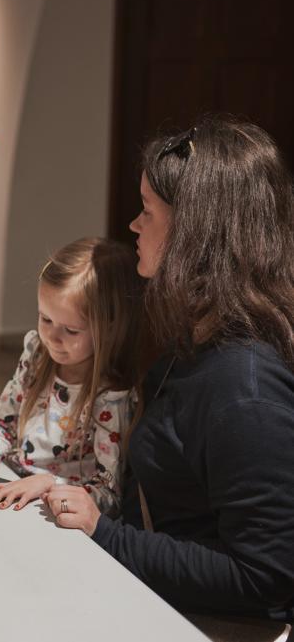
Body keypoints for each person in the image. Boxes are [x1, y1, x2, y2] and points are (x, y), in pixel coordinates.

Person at [44, 117, 294, 624]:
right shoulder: (200, 337)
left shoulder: (244, 389)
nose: (134, 225)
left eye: (147, 211)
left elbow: (264, 576)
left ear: (194, 233)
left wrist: (105, 534)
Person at [0, 238, 144, 516]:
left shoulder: (111, 396)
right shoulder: (36, 354)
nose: (53, 338)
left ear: (110, 328)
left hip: (57, 516)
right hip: (10, 490)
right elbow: (5, 425)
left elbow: (107, 493)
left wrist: (48, 485)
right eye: (45, 319)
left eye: (71, 330)